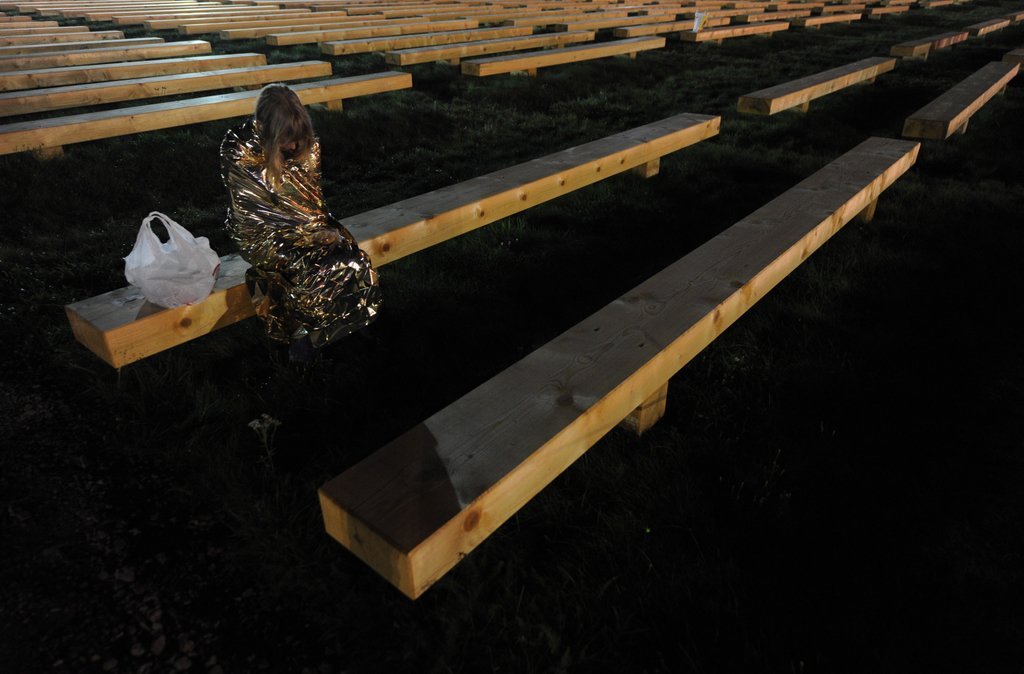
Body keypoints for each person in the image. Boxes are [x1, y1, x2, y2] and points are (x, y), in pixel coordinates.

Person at [220, 83, 381, 362]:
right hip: (262, 235)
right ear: (268, 131)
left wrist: (320, 230)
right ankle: (301, 338)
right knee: (307, 267)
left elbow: (311, 202)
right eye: (287, 139)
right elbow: (255, 213)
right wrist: (309, 233)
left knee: (351, 254)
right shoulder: (240, 150)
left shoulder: (304, 147)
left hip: (306, 226)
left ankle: (354, 322)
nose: (295, 146)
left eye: (298, 138)